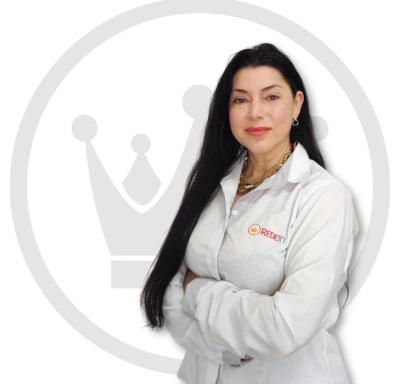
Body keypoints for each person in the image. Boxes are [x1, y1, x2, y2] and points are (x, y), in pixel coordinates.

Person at [140, 42, 359, 384]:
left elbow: (285, 328)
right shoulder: (210, 183)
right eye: (240, 100)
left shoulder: (323, 197)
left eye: (271, 97)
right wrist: (227, 347)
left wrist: (197, 289)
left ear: (296, 104)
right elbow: (169, 286)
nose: (255, 112)